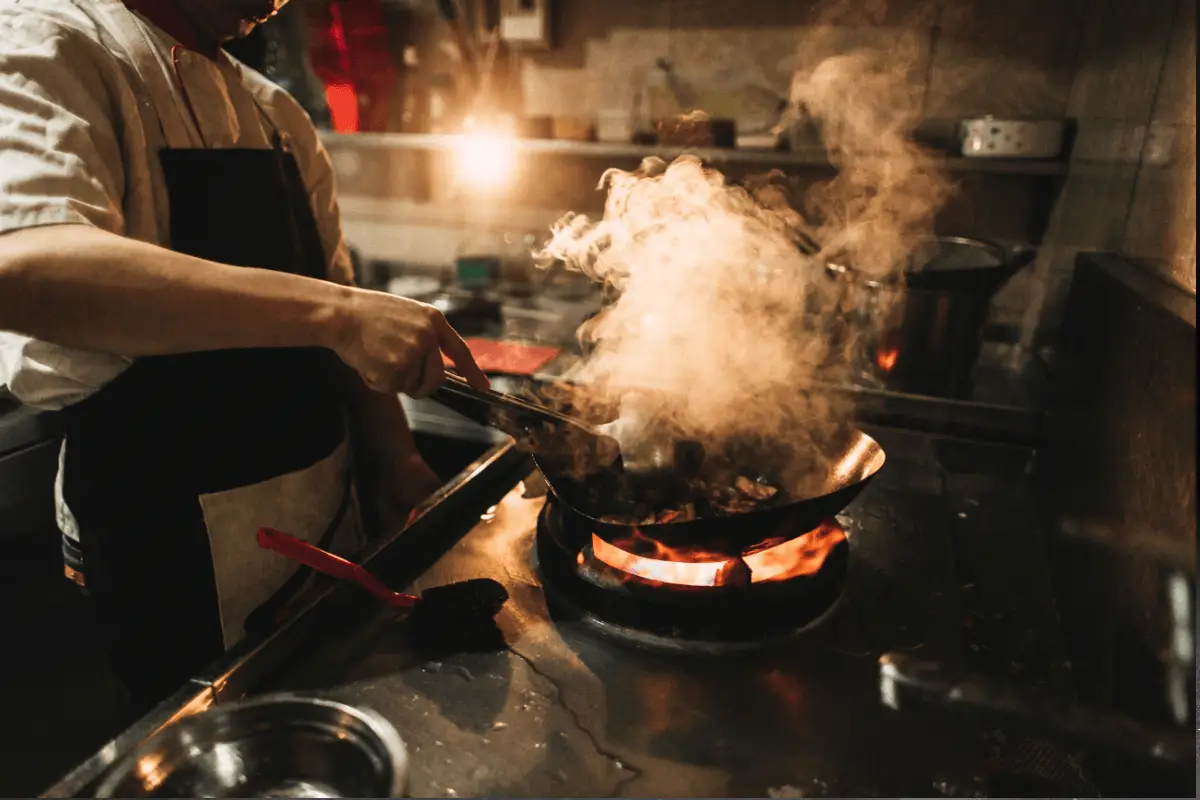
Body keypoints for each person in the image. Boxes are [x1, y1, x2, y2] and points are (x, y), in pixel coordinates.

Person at [0, 0, 490, 720]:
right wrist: (339, 315)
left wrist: (394, 453)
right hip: (168, 539)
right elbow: (28, 267)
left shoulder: (275, 114)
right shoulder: (55, 40)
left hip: (324, 513)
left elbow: (338, 294)